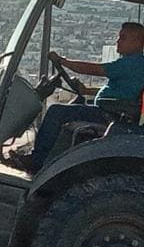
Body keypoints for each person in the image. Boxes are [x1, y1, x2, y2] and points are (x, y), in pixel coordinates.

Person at [21, 22, 144, 173]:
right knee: (76, 103)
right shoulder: (135, 64)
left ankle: (37, 161)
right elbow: (120, 92)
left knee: (56, 112)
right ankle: (52, 161)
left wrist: (63, 62)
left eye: (123, 38)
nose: (117, 41)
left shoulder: (132, 64)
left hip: (111, 116)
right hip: (113, 111)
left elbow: (94, 69)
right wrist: (86, 90)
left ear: (137, 41)